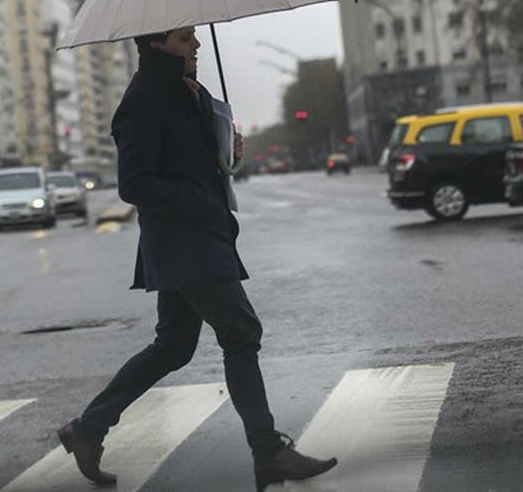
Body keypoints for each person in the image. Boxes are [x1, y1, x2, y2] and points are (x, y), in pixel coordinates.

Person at [57, 27, 338, 491]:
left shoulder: (189, 90)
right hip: (183, 241)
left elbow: (192, 160)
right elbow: (135, 184)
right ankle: (268, 452)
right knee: (241, 331)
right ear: (154, 44)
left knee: (173, 346)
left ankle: (87, 429)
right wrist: (199, 201)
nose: (196, 45)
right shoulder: (143, 100)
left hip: (199, 235)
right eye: (184, 38)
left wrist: (227, 153)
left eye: (194, 37)